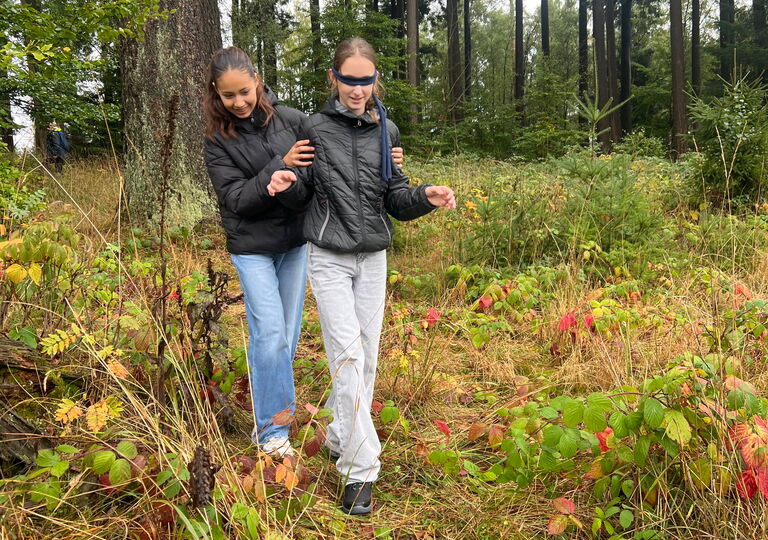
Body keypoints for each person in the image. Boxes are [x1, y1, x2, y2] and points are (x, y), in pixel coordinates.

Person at [268, 37, 456, 515]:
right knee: (347, 359)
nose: (357, 89)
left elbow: (393, 196)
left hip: (373, 259)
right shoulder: (313, 127)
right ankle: (359, 471)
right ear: (334, 78)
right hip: (328, 257)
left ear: (375, 79)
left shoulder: (384, 130)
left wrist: (424, 196)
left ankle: (337, 436)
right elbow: (305, 190)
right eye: (349, 79)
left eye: (365, 79)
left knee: (367, 360)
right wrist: (286, 184)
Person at [202, 46, 403, 459]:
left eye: (245, 91)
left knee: (287, 339)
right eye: (229, 96)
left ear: (258, 81)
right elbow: (236, 198)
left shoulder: (295, 121)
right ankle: (273, 431)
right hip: (253, 247)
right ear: (216, 96)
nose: (239, 102)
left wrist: (385, 150)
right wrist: (278, 166)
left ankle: (330, 422)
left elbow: (336, 154)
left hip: (294, 243)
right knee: (271, 336)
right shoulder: (217, 142)